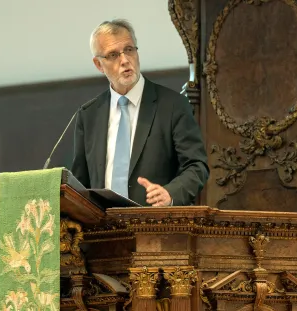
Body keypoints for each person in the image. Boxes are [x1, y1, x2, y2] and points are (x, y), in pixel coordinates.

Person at [71, 19, 209, 206]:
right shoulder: (88, 116)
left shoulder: (173, 105)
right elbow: (80, 184)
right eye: (113, 55)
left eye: (129, 49)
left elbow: (197, 166)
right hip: (103, 230)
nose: (125, 60)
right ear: (98, 64)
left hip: (157, 227)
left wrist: (170, 193)